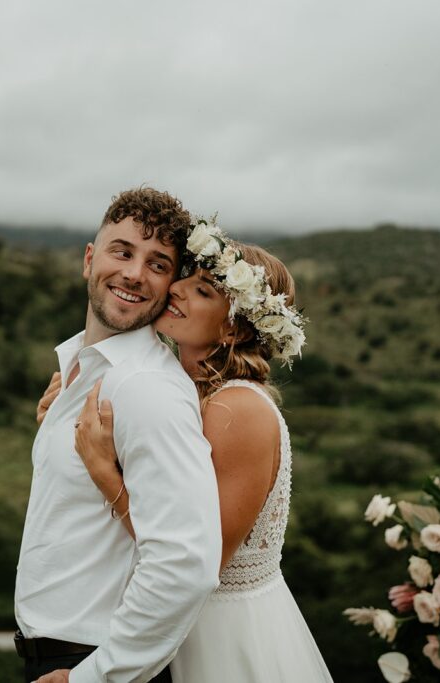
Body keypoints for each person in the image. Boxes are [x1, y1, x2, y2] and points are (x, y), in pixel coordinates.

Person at [40, 218, 333, 681]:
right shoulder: (184, 398)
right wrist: (68, 421)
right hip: (172, 627)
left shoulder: (238, 410)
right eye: (184, 281)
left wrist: (104, 473)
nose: (175, 291)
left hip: (224, 633)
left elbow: (197, 556)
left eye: (202, 292)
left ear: (234, 330)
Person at [15, 188, 222, 683]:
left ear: (172, 284)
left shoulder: (148, 388)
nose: (134, 273)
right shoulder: (80, 373)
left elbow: (186, 562)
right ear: (90, 259)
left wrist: (94, 677)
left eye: (157, 263)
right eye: (122, 251)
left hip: (93, 663)